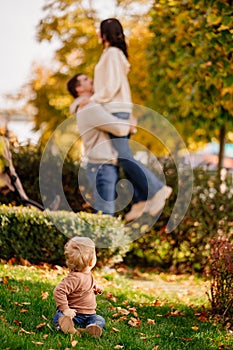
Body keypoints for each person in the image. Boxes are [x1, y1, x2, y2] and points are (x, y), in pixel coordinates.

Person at [79, 18, 172, 221]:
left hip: (114, 109)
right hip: (116, 109)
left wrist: (92, 100)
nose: (97, 33)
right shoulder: (112, 54)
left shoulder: (112, 54)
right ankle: (140, 200)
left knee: (123, 156)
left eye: (99, 30)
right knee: (121, 155)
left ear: (105, 34)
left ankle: (157, 189)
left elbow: (110, 86)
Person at [67, 73, 130, 215]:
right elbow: (118, 128)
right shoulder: (89, 107)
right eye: (86, 79)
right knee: (105, 215)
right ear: (78, 89)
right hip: (102, 166)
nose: (91, 81)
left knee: (104, 214)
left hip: (101, 165)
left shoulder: (88, 105)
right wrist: (131, 124)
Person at [53, 236, 105, 337]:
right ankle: (65, 326)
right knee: (60, 316)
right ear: (91, 261)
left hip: (89, 315)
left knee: (99, 319)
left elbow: (88, 285)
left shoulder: (88, 274)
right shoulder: (74, 278)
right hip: (73, 314)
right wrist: (65, 309)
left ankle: (90, 328)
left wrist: (96, 286)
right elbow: (58, 291)